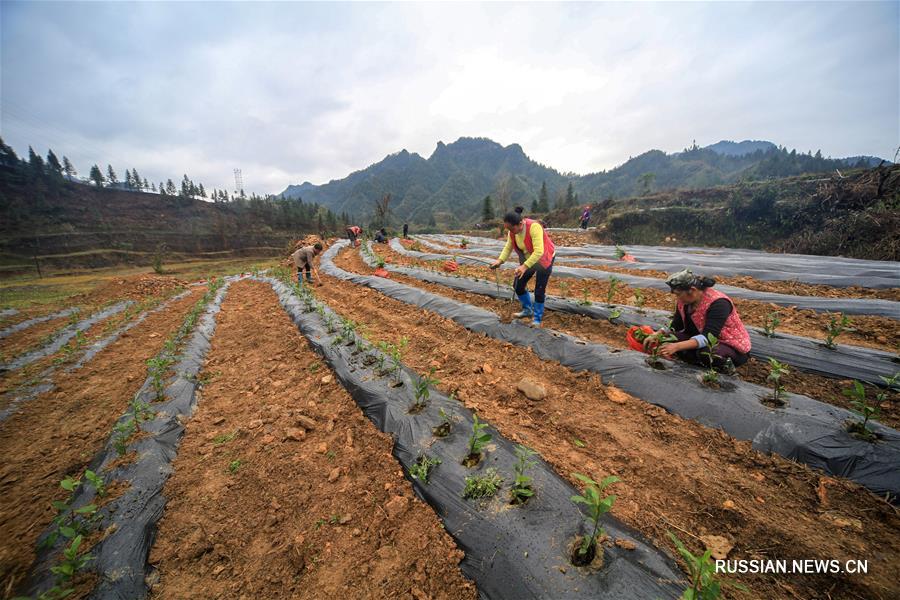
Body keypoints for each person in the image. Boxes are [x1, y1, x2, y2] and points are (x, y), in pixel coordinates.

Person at [653, 269, 751, 372]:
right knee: (669, 338)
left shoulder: (719, 303)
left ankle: (727, 368)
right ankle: (695, 361)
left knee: (707, 354)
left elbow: (709, 337)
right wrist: (659, 333)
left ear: (693, 290)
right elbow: (676, 325)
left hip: (729, 345)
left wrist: (676, 346)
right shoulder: (685, 302)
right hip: (700, 338)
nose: (677, 299)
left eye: (678, 294)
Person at [490, 212, 556, 328]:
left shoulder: (534, 227)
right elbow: (508, 247)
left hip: (543, 258)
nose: (510, 231)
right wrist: (499, 261)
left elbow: (539, 251)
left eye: (511, 228)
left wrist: (524, 266)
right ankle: (527, 310)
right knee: (518, 285)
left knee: (539, 289)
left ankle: (537, 318)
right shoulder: (512, 232)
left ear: (520, 223)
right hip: (529, 259)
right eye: (508, 229)